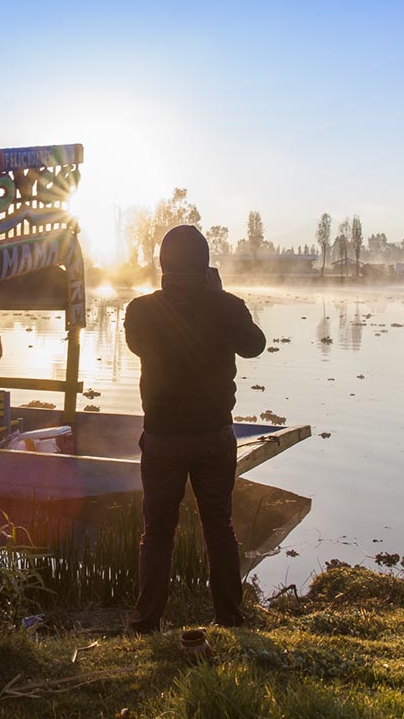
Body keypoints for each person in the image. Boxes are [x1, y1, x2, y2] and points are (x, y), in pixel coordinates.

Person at [123, 225, 266, 632]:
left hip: (162, 438)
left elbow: (138, 345)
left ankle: (146, 622)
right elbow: (254, 345)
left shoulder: (141, 310)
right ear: (206, 265)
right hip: (214, 437)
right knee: (219, 528)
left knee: (157, 534)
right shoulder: (227, 305)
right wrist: (217, 296)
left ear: (162, 264)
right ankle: (229, 617)